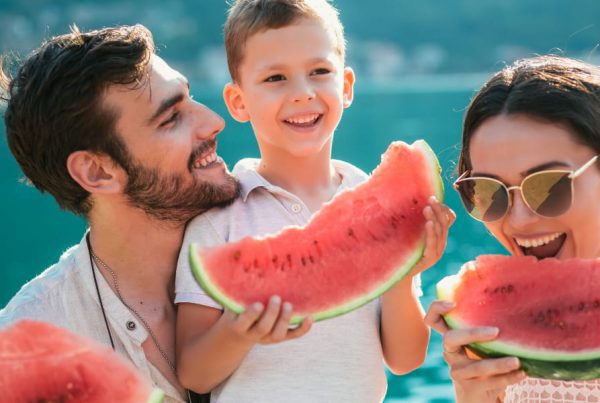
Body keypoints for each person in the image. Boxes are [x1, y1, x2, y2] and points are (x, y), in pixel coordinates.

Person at [174, 0, 455, 402]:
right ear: (238, 102)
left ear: (346, 86)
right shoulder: (217, 222)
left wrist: (402, 271)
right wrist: (238, 332)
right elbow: (193, 373)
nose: (302, 93)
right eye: (275, 78)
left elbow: (405, 359)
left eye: (319, 72)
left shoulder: (379, 207)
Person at [0, 24, 240, 403]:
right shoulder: (23, 358)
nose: (214, 122)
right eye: (171, 117)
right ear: (98, 171)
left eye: (189, 97)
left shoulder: (272, 222)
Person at [425, 55, 600, 402]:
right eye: (489, 192)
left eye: (548, 187)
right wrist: (473, 395)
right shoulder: (492, 340)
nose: (518, 220)